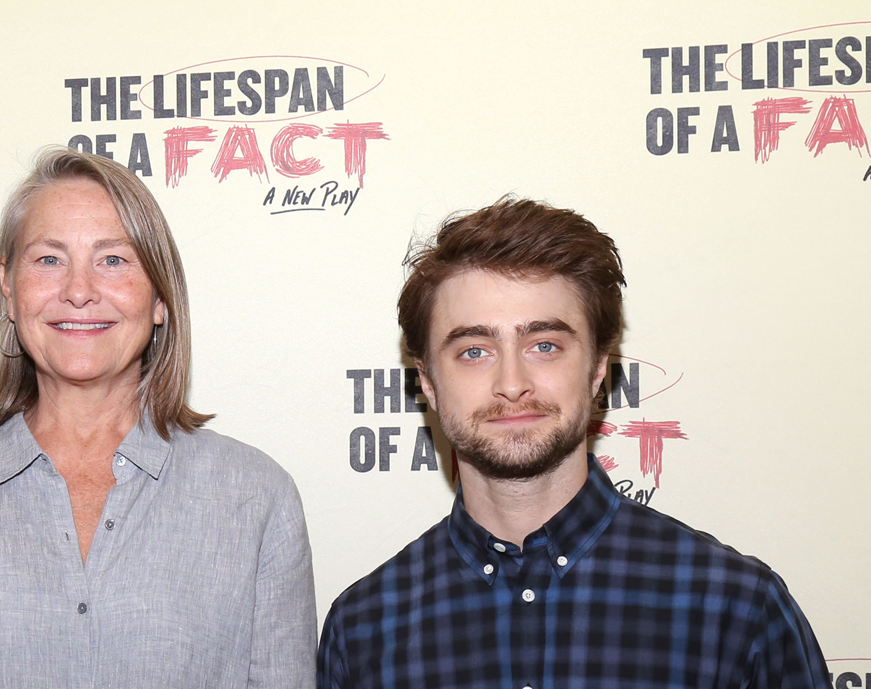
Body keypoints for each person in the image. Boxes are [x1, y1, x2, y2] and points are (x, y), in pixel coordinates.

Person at [0, 147, 316, 689]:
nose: (79, 290)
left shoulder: (257, 499)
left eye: (113, 259)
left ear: (159, 296)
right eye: (49, 259)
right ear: (9, 288)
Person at [317, 197, 829, 688]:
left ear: (598, 370)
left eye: (544, 346)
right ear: (427, 381)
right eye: (474, 351)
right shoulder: (364, 627)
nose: (512, 382)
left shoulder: (736, 607)